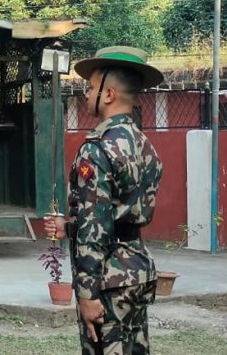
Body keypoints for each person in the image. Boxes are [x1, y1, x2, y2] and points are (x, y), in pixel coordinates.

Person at [44, 46, 165, 355]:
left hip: (108, 278)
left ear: (108, 94)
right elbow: (121, 214)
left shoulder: (97, 148)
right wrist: (69, 227)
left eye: (90, 87)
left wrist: (87, 293)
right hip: (137, 270)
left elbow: (95, 229)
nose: (86, 94)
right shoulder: (144, 145)